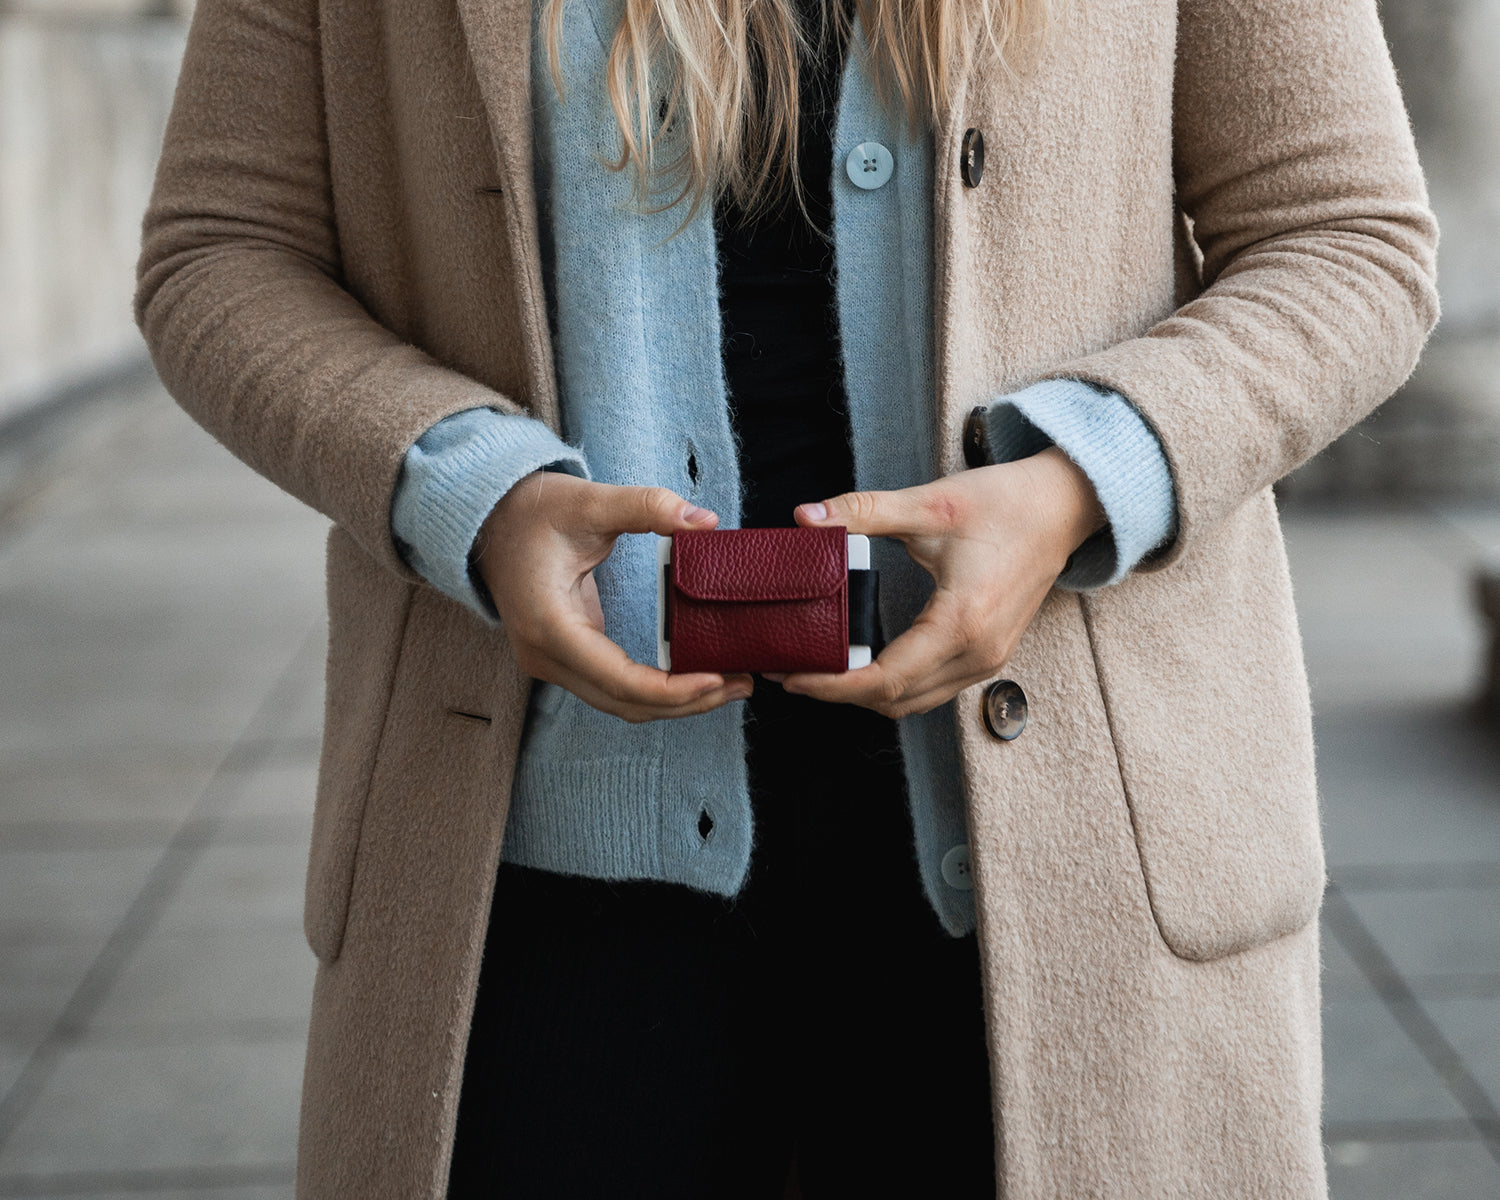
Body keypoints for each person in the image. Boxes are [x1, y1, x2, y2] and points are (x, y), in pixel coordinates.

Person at [134, 0, 1438, 1188]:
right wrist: (471, 491)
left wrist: (1079, 482)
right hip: (542, 882)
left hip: (1067, 862)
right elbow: (220, 253)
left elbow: (1348, 238)